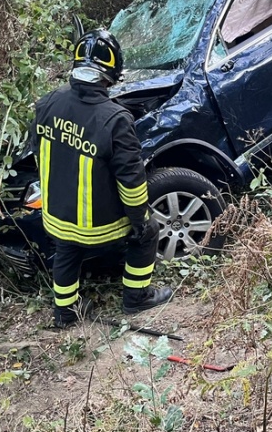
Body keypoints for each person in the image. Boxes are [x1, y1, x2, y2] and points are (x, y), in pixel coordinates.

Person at [26, 28, 173, 328]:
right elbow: (131, 182)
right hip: (99, 227)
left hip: (56, 218)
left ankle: (65, 312)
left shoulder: (47, 104)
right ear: (111, 75)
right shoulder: (116, 120)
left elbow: (37, 153)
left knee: (67, 250)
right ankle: (137, 297)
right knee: (149, 233)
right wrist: (140, 221)